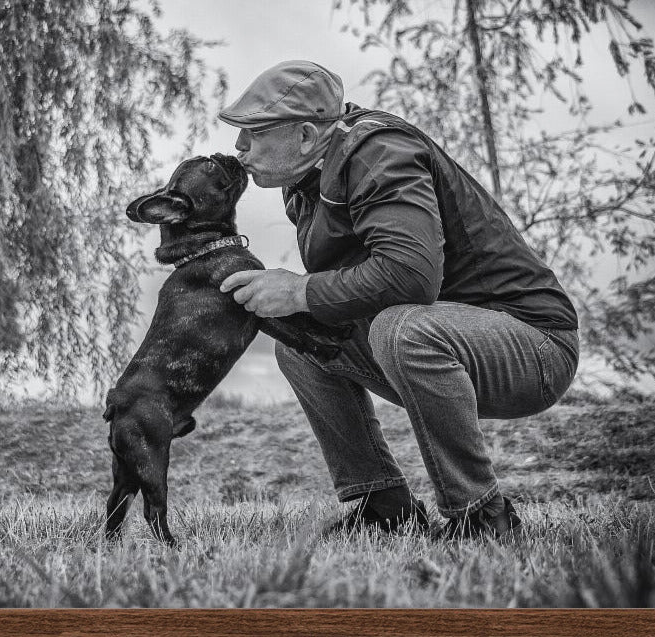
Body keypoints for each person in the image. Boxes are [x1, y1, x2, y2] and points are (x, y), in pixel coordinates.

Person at [217, 60, 580, 539]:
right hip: (449, 338)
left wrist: (299, 289)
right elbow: (354, 286)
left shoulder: (378, 153)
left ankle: (481, 515)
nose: (239, 147)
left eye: (253, 132)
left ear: (306, 135)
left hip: (533, 346)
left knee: (401, 325)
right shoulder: (307, 184)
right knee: (301, 340)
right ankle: (383, 505)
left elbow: (411, 277)